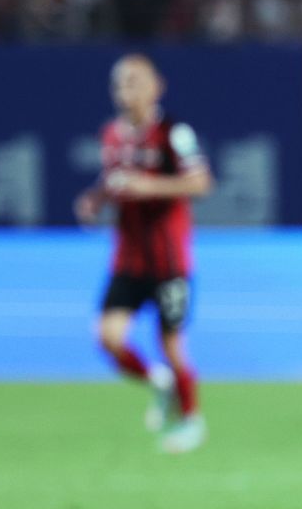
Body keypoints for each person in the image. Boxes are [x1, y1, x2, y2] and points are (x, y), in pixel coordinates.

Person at [74, 53, 213, 454]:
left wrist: (149, 188)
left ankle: (191, 421)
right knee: (108, 337)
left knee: (171, 345)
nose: (125, 91)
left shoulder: (173, 133)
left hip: (169, 261)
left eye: (134, 82)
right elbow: (114, 178)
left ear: (157, 86)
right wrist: (95, 199)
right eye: (119, 84)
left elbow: (201, 182)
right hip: (128, 259)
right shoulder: (111, 135)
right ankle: (158, 383)